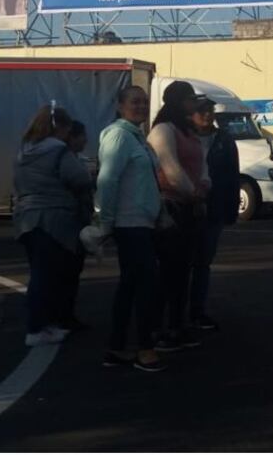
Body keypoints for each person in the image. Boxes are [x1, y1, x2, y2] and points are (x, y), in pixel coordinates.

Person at [97, 86, 166, 372]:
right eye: (134, 102)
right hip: (129, 223)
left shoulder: (136, 137)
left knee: (130, 285)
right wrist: (105, 221)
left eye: (144, 102)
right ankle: (145, 347)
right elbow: (107, 180)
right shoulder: (118, 136)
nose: (140, 106)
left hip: (143, 222)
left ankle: (116, 347)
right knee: (147, 285)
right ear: (120, 105)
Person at [12, 104, 93, 346]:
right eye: (67, 130)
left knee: (39, 272)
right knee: (47, 275)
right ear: (60, 128)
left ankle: (43, 324)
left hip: (26, 217)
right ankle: (37, 328)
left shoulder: (24, 151)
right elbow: (80, 179)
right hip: (53, 218)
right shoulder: (57, 150)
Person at [147, 81, 210, 352]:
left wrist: (204, 186)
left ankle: (177, 324)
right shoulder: (163, 130)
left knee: (183, 271)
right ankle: (157, 330)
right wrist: (193, 192)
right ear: (178, 101)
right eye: (190, 98)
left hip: (190, 207)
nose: (194, 104)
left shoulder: (188, 130)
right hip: (170, 208)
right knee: (168, 271)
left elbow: (203, 165)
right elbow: (170, 168)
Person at [189, 97, 239, 331]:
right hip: (186, 207)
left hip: (214, 208)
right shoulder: (182, 136)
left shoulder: (224, 139)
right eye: (202, 111)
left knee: (203, 262)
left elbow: (232, 174)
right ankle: (174, 313)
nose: (207, 114)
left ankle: (197, 311)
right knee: (181, 262)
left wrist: (231, 209)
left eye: (210, 110)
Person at [60, 120, 94, 332]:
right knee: (67, 271)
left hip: (77, 220)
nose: (85, 140)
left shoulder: (76, 158)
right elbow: (81, 182)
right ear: (71, 137)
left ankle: (66, 314)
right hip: (70, 222)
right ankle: (62, 316)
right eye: (82, 136)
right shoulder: (65, 159)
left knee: (73, 271)